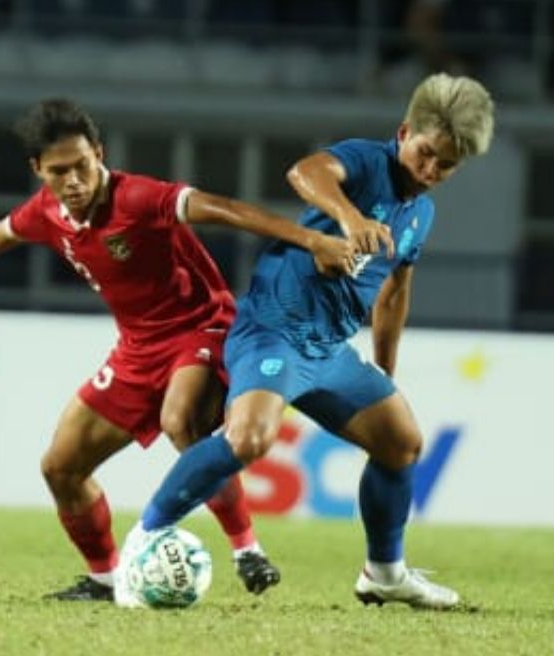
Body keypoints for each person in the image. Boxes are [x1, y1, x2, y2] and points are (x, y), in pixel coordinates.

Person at [0, 99, 355, 600]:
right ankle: (105, 579)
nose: (74, 181)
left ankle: (247, 550)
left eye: (83, 166)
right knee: (60, 466)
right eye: (59, 171)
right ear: (37, 169)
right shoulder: (47, 212)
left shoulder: (138, 199)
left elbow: (227, 210)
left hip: (204, 327)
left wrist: (311, 241)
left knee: (183, 421)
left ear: (99, 154)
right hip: (137, 350)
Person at [113, 73, 495, 609]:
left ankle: (384, 573)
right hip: (273, 332)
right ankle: (142, 542)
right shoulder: (367, 162)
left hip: (328, 350)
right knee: (248, 438)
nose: (431, 170)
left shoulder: (421, 214)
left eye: (447, 165)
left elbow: (394, 291)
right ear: (405, 132)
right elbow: (305, 172)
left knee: (401, 442)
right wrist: (349, 216)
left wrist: (386, 369)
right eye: (427, 153)